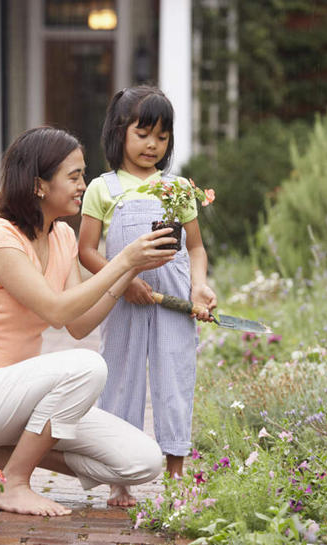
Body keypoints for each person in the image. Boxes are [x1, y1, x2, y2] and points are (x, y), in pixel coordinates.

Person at [0, 126, 180, 517]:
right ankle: (14, 483)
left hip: (18, 405)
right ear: (39, 185)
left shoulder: (61, 235)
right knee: (87, 367)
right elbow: (56, 310)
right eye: (74, 176)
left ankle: (4, 456)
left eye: (84, 175)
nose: (84, 185)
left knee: (141, 462)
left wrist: (129, 273)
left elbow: (78, 324)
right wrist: (123, 261)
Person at [78, 86, 218, 507]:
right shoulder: (103, 189)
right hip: (123, 299)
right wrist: (123, 280)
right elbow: (86, 250)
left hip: (174, 298)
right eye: (143, 133)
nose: (152, 144)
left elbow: (194, 247)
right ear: (118, 133)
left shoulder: (177, 188)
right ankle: (120, 480)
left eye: (162, 135)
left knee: (175, 379)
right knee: (120, 378)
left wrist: (199, 285)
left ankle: (176, 474)